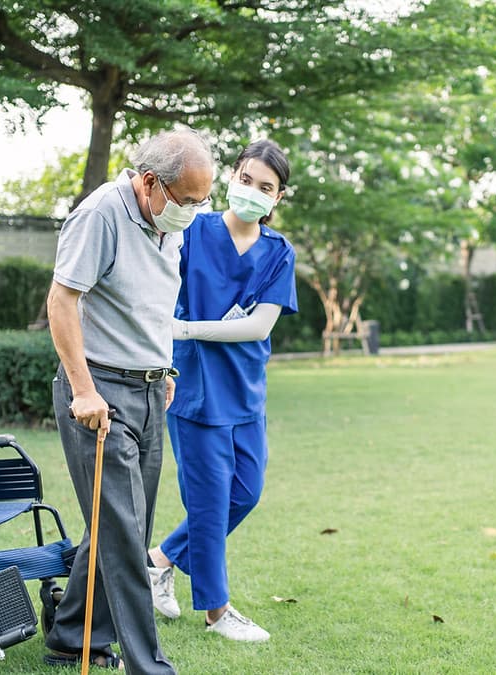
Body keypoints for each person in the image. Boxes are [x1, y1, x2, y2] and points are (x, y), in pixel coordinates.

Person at [44, 129, 215, 672]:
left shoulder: (169, 221)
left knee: (125, 528)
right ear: (149, 183)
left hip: (148, 388)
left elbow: (149, 304)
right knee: (123, 538)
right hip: (100, 394)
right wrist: (84, 390)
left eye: (202, 201)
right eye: (188, 201)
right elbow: (62, 300)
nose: (194, 212)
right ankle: (151, 666)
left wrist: (161, 367)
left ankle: (71, 635)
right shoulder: (101, 215)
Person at [147, 139, 298, 642]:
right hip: (194, 389)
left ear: (277, 199)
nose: (253, 191)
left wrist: (187, 329)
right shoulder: (193, 232)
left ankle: (158, 560)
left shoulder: (279, 253)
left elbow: (259, 328)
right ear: (232, 177)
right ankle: (218, 612)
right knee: (211, 503)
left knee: (246, 493)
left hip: (246, 391)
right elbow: (157, 286)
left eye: (266, 188)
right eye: (247, 179)